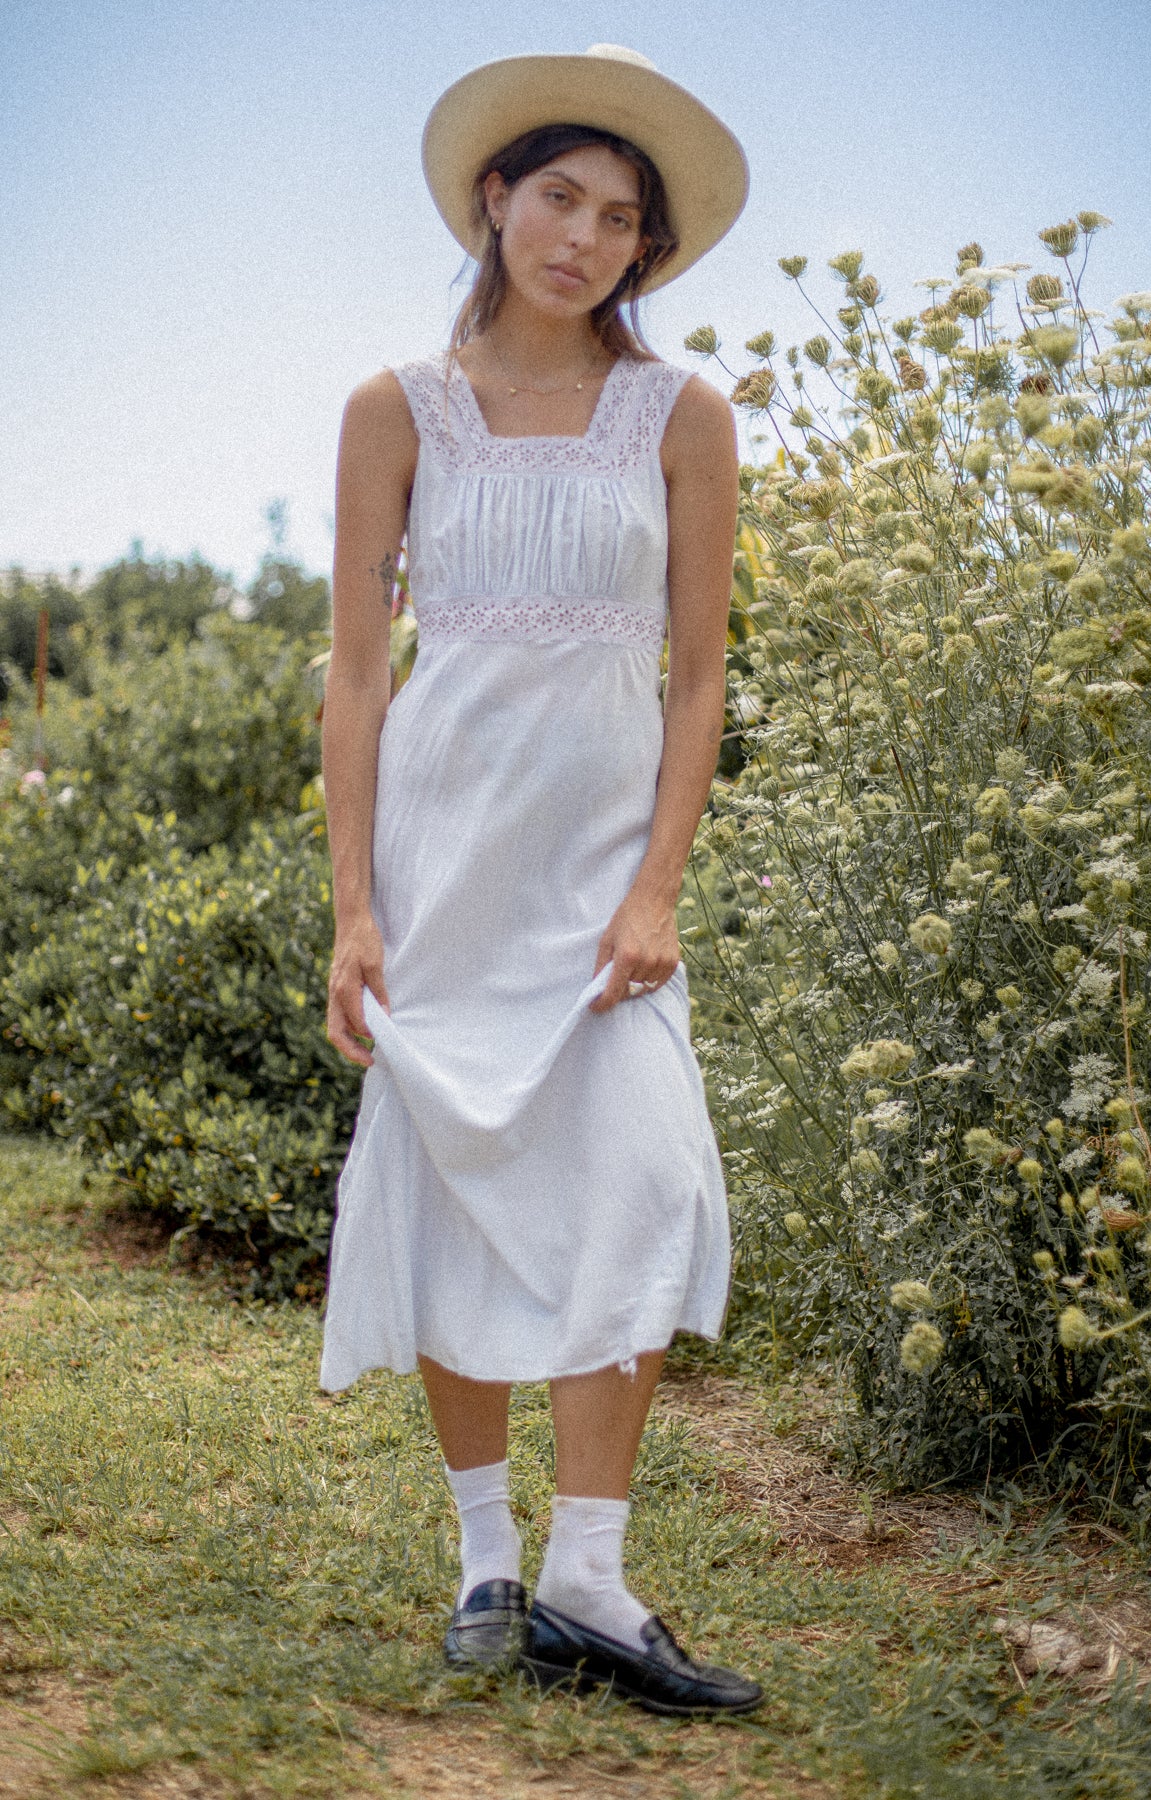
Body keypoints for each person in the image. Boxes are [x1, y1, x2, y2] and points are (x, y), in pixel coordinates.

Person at [318, 43, 760, 1716]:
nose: (583, 237)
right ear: (495, 200)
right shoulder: (396, 408)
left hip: (597, 880)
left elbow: (700, 673)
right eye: (558, 197)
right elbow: (357, 675)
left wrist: (658, 888)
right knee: (453, 1182)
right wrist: (357, 908)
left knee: (641, 1177)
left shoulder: (681, 413)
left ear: (641, 252)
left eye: (619, 219)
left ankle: (593, 1572)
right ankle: (489, 1560)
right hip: (446, 862)